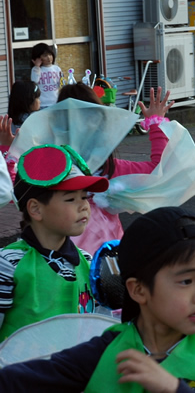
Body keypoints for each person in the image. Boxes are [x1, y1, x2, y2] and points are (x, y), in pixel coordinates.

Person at [0, 206, 195, 391]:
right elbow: (19, 379)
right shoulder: (104, 352)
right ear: (138, 290)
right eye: (186, 281)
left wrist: (173, 388)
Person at [0, 144, 109, 340]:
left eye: (84, 197)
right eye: (70, 199)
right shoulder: (8, 264)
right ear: (36, 209)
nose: (84, 206)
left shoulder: (89, 262)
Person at [54, 84, 174, 254]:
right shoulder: (109, 169)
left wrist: (9, 152)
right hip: (106, 261)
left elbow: (20, 193)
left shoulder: (51, 165)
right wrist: (156, 124)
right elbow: (158, 171)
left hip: (65, 259)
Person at [30, 42, 62, 109]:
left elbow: (61, 84)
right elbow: (34, 82)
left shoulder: (57, 68)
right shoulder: (36, 70)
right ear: (38, 58)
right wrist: (37, 66)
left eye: (50, 54)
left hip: (56, 102)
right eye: (45, 55)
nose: (49, 58)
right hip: (43, 104)